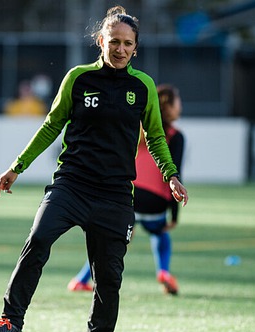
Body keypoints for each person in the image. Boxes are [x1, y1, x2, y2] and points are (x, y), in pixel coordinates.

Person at [0, 6, 188, 332]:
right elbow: (51, 125)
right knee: (38, 239)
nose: (120, 49)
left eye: (127, 43)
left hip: (114, 197)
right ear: (101, 41)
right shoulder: (77, 79)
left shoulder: (142, 88)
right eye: (114, 41)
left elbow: (156, 137)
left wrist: (170, 175)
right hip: (71, 185)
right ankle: (10, 321)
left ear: (136, 48)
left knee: (108, 280)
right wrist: (17, 167)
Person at [68, 84, 185, 295]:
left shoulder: (137, 127)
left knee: (112, 241)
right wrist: (174, 213)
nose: (180, 106)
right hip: (154, 201)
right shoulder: (175, 136)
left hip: (126, 194)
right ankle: (164, 272)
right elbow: (174, 173)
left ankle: (81, 279)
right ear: (170, 105)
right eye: (178, 101)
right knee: (160, 232)